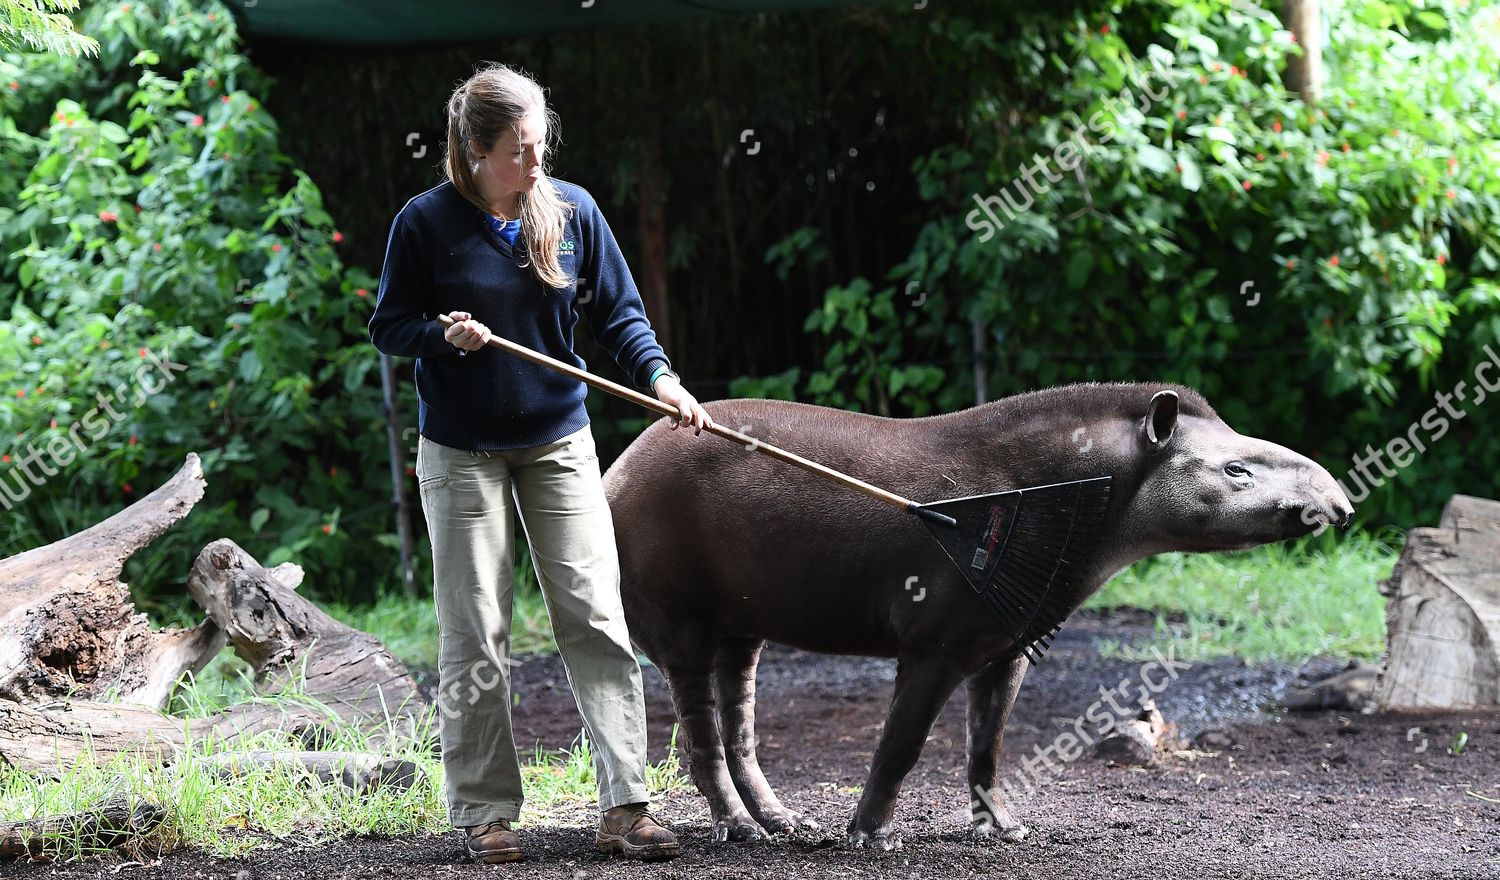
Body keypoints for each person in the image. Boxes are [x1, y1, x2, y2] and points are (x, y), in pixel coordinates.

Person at [368, 61, 714, 864]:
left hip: (559, 441)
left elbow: (621, 317)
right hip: (460, 452)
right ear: (474, 149)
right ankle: (487, 811)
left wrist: (663, 381)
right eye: (519, 150)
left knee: (595, 613)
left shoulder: (571, 211)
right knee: (477, 631)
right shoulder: (424, 223)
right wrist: (439, 336)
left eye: (539, 146)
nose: (534, 164)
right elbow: (389, 326)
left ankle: (626, 805)